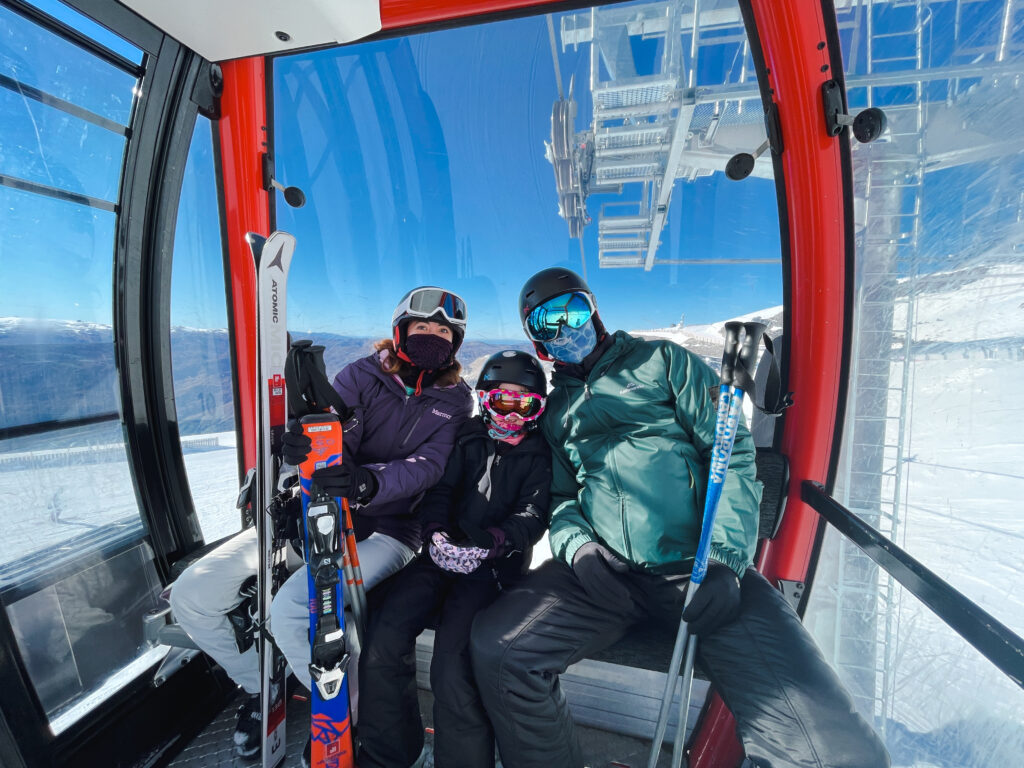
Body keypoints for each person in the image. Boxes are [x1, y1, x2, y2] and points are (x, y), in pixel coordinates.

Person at [470, 268, 890, 768]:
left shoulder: (661, 361)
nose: (565, 328)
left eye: (574, 310)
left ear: (595, 310)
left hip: (699, 566)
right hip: (605, 574)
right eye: (547, 321)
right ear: (537, 341)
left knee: (834, 751)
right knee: (501, 652)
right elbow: (561, 498)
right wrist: (579, 550)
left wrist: (726, 559)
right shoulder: (556, 409)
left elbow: (730, 454)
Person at [170, 286, 473, 760]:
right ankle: (258, 684)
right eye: (421, 327)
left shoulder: (455, 400)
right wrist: (299, 449)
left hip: (389, 529)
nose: (432, 336)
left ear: (454, 343)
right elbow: (326, 427)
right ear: (399, 332)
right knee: (194, 593)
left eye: (442, 331)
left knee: (292, 610)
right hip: (318, 513)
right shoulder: (363, 375)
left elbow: (429, 465)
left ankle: (341, 717)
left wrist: (367, 484)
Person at [357, 350, 552, 768]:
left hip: (492, 570)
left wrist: (492, 544)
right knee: (384, 632)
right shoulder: (469, 436)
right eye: (502, 401)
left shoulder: (540, 455)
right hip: (439, 557)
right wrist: (436, 534)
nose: (512, 415)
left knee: (453, 665)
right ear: (485, 401)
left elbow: (533, 515)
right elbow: (441, 491)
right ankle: (387, 753)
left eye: (524, 404)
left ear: (538, 408)